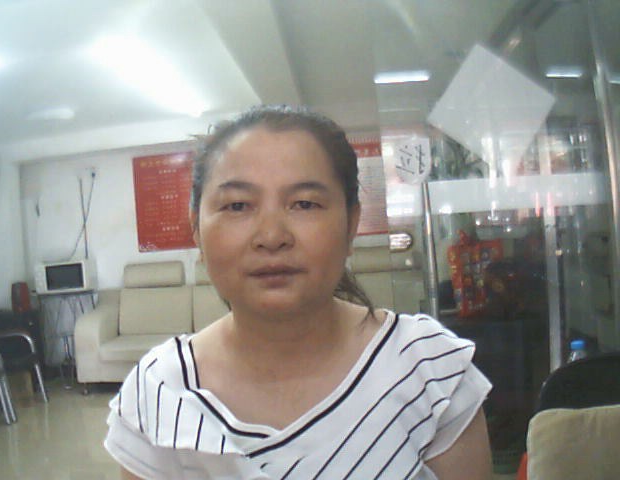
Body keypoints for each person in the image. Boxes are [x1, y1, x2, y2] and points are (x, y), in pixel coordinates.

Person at [104, 105, 493, 479]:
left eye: (305, 204)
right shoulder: (158, 392)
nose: (272, 236)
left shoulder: (430, 370)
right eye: (237, 205)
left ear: (351, 224)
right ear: (196, 231)